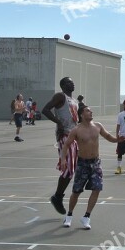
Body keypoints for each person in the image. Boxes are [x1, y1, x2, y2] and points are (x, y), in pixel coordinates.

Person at [60, 104, 124, 229]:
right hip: (82, 163)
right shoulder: (76, 130)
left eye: (90, 111)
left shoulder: (98, 126)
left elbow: (108, 136)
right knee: (76, 191)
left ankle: (86, 217)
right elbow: (66, 145)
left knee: (97, 188)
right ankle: (69, 215)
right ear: (81, 114)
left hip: (95, 163)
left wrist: (118, 140)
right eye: (88, 111)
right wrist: (63, 159)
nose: (91, 112)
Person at [42, 77, 80, 215]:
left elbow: (76, 117)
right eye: (70, 81)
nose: (73, 82)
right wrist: (59, 122)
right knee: (68, 168)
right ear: (64, 85)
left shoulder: (74, 100)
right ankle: (57, 197)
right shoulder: (60, 96)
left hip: (74, 135)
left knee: (72, 169)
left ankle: (58, 196)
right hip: (64, 135)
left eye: (73, 81)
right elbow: (45, 110)